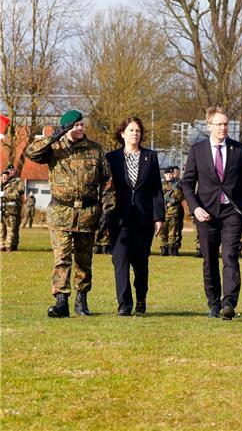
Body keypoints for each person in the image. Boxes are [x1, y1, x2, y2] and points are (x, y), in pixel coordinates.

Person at [25, 110, 115, 317]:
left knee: (84, 260)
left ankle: (81, 300)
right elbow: (31, 153)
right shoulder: (54, 148)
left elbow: (107, 183)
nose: (80, 128)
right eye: (76, 125)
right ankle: (61, 301)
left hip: (87, 213)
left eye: (82, 124)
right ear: (66, 128)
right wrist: (55, 135)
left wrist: (107, 210)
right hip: (61, 212)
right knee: (62, 258)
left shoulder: (95, 150)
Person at [182, 106, 242, 320]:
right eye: (219, 124)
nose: (223, 128)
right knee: (209, 259)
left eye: (226, 124)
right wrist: (195, 208)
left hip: (232, 211)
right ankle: (213, 303)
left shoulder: (238, 149)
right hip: (206, 213)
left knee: (230, 256)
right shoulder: (197, 150)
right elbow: (187, 183)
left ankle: (229, 303)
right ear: (209, 126)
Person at [105, 116, 165, 316]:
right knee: (120, 261)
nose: (135, 134)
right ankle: (124, 304)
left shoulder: (150, 157)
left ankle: (140, 298)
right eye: (131, 130)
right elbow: (105, 188)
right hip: (118, 218)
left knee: (140, 262)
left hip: (143, 218)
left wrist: (159, 217)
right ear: (122, 133)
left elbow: (156, 189)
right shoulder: (111, 158)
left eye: (138, 130)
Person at [161, 166, 185, 256]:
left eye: (170, 174)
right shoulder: (161, 185)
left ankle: (173, 249)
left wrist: (174, 191)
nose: (169, 175)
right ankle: (164, 249)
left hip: (174, 212)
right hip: (163, 212)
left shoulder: (177, 184)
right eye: (167, 174)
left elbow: (180, 196)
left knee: (174, 233)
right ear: (164, 175)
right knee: (163, 232)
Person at [0, 165, 24, 251]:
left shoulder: (18, 181)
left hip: (15, 208)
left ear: (15, 171)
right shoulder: (3, 180)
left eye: (12, 170)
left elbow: (20, 191)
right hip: (3, 209)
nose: (10, 172)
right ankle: (4, 245)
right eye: (9, 170)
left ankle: (13, 245)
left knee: (14, 228)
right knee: (3, 228)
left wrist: (6, 195)